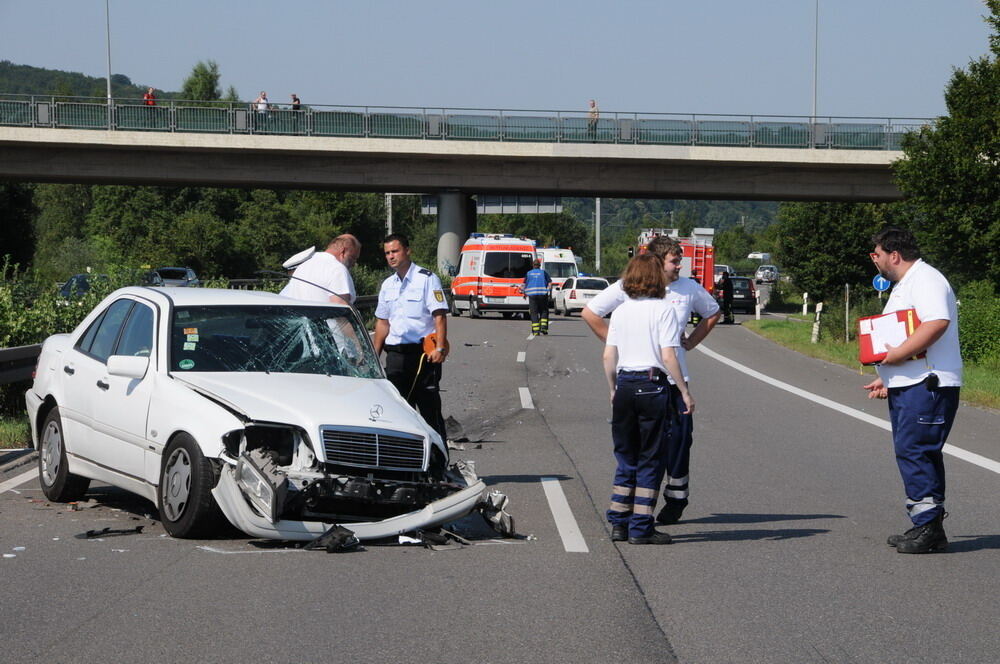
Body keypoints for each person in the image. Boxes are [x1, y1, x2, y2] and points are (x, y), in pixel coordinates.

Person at [583, 236, 720, 525]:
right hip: (644, 380)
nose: (680, 266)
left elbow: (712, 313)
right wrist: (619, 343)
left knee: (680, 443)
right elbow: (591, 313)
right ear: (657, 262)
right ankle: (639, 513)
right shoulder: (630, 289)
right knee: (644, 450)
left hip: (672, 379)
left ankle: (675, 498)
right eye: (674, 260)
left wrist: (692, 342)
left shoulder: (688, 289)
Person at [863, 227, 962, 554]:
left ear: (894, 254)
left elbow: (936, 323)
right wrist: (888, 374)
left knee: (916, 451)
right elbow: (909, 333)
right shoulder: (907, 284)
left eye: (876, 254)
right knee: (918, 452)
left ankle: (928, 527)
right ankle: (927, 524)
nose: (874, 260)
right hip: (913, 382)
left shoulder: (925, 279)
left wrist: (898, 356)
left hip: (928, 385)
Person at [602, 254, 694, 545]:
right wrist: (684, 390)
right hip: (653, 385)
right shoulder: (664, 310)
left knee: (625, 456)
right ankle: (641, 527)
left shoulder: (620, 311)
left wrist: (613, 388)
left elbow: (608, 356)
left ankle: (619, 522)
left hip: (625, 384)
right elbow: (669, 355)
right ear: (656, 278)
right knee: (650, 458)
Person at [373, 234, 449, 441]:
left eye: (395, 251)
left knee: (428, 410)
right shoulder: (387, 285)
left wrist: (440, 348)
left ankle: (438, 465)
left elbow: (439, 316)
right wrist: (373, 356)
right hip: (396, 356)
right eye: (387, 253)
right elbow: (382, 323)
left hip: (423, 355)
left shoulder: (426, 279)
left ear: (407, 251)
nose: (391, 256)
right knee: (398, 412)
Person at [279, 234, 360, 305]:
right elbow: (340, 309)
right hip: (323, 322)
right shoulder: (337, 269)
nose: (354, 264)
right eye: (353, 258)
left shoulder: (303, 266)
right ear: (343, 251)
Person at [522, 259, 552, 335]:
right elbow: (550, 283)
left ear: (533, 265)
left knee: (534, 313)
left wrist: (524, 293)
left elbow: (524, 285)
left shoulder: (528, 273)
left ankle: (535, 331)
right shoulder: (543, 273)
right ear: (539, 265)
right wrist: (548, 291)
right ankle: (544, 328)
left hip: (532, 296)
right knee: (544, 311)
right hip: (543, 295)